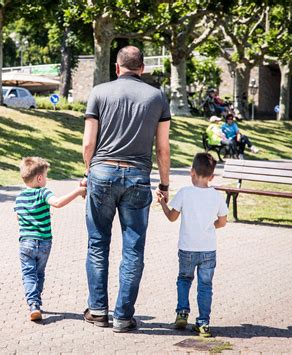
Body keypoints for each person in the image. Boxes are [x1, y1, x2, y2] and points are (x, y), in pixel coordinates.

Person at [81, 45, 171, 333]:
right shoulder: (157, 96)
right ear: (142, 69)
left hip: (102, 172)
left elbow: (87, 144)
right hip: (138, 176)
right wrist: (165, 184)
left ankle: (97, 311)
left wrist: (89, 172)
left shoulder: (99, 92)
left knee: (98, 244)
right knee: (133, 249)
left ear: (117, 68)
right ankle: (122, 316)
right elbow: (163, 149)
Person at [157, 152, 228, 338]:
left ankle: (182, 313)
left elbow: (172, 217)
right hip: (208, 250)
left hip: (187, 248)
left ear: (191, 172)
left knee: (184, 279)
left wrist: (162, 203)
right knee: (205, 286)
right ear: (212, 176)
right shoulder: (217, 196)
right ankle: (203, 323)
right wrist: (210, 226)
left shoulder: (184, 193)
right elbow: (222, 222)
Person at [15, 157, 86, 322]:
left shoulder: (19, 198)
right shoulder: (43, 191)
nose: (46, 180)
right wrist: (78, 191)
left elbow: (19, 219)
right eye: (45, 176)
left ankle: (33, 305)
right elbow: (58, 203)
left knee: (28, 274)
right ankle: (36, 303)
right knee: (39, 273)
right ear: (39, 178)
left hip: (25, 242)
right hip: (44, 242)